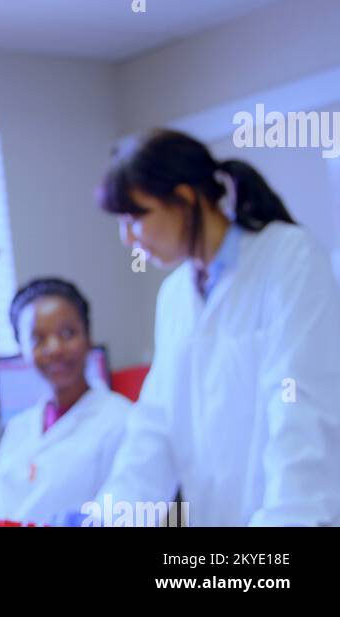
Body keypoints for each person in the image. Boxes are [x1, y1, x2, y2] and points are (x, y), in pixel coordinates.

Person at [88, 129, 340, 526]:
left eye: (136, 217)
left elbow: (300, 412)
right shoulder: (174, 296)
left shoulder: (289, 257)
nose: (127, 237)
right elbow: (155, 428)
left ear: (185, 198)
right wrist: (109, 517)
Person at [0, 278, 131, 525]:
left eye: (67, 333)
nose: (54, 348)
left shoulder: (122, 420)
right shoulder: (19, 427)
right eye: (38, 338)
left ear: (88, 337)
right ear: (22, 349)